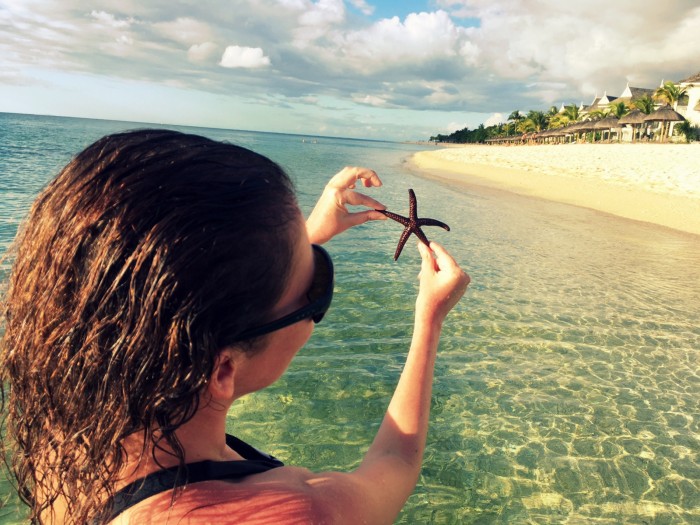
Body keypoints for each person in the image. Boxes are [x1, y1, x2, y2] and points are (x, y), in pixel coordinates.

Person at [0, 129, 469, 524]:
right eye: (317, 288)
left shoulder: (72, 436)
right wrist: (429, 319)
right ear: (221, 371)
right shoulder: (293, 511)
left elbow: (180, 297)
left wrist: (296, 241)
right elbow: (395, 463)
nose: (318, 293)